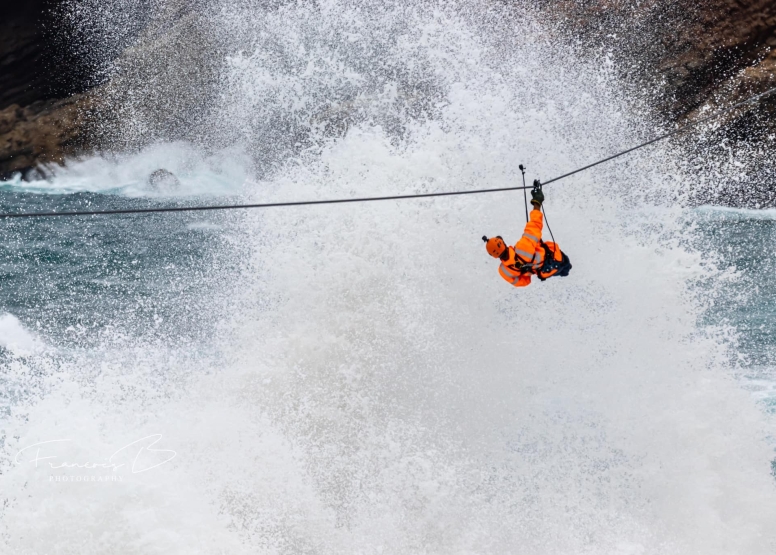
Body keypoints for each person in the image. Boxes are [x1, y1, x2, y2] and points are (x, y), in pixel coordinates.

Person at [482, 183, 572, 287]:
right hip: (557, 258)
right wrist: (537, 202)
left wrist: (527, 270)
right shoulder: (523, 246)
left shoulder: (503, 271)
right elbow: (535, 224)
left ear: (492, 256)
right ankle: (566, 269)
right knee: (567, 266)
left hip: (545, 272)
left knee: (563, 271)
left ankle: (564, 271)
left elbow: (524, 282)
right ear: (502, 242)